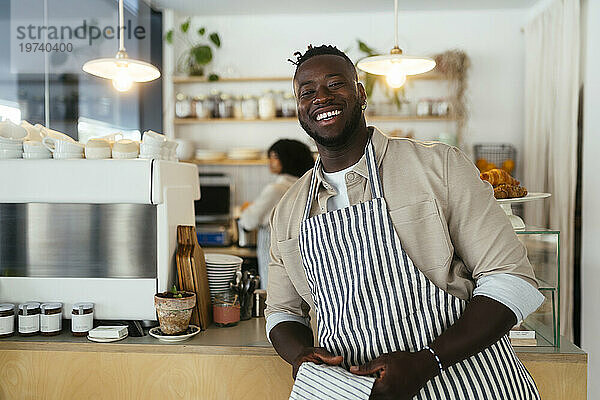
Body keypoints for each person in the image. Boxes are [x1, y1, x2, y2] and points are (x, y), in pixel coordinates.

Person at [265, 44, 544, 400]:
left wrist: (427, 362)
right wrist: (299, 355)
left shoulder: (438, 166)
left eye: (335, 84)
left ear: (361, 93)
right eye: (307, 92)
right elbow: (281, 313)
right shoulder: (288, 209)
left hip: (470, 384)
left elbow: (511, 280)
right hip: (359, 391)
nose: (321, 96)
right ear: (299, 108)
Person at [238, 139, 314, 288]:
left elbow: (248, 221)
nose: (270, 161)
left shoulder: (276, 189)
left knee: (274, 295)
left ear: (288, 159)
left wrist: (247, 208)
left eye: (275, 156)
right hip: (301, 254)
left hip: (273, 252)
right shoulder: (306, 186)